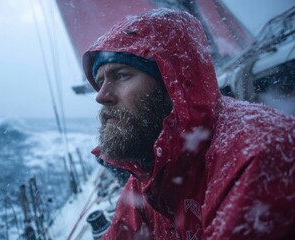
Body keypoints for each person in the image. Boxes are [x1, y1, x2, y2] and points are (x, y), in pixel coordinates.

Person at [82, 8, 295, 240]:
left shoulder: (256, 152)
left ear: (172, 83)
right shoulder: (150, 173)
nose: (100, 96)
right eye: (100, 81)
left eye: (122, 75)